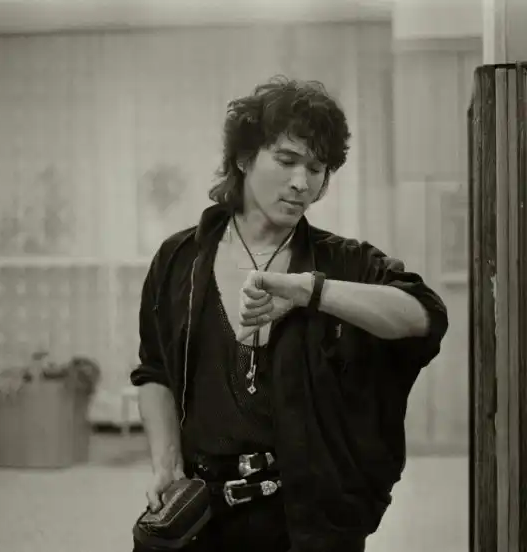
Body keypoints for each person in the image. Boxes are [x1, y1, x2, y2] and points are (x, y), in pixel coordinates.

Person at [130, 76, 449, 552]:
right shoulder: (179, 259)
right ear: (243, 158)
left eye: (317, 169)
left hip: (307, 521)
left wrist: (310, 291)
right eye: (286, 160)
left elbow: (424, 315)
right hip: (201, 517)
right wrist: (165, 462)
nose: (302, 183)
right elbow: (154, 370)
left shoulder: (343, 262)